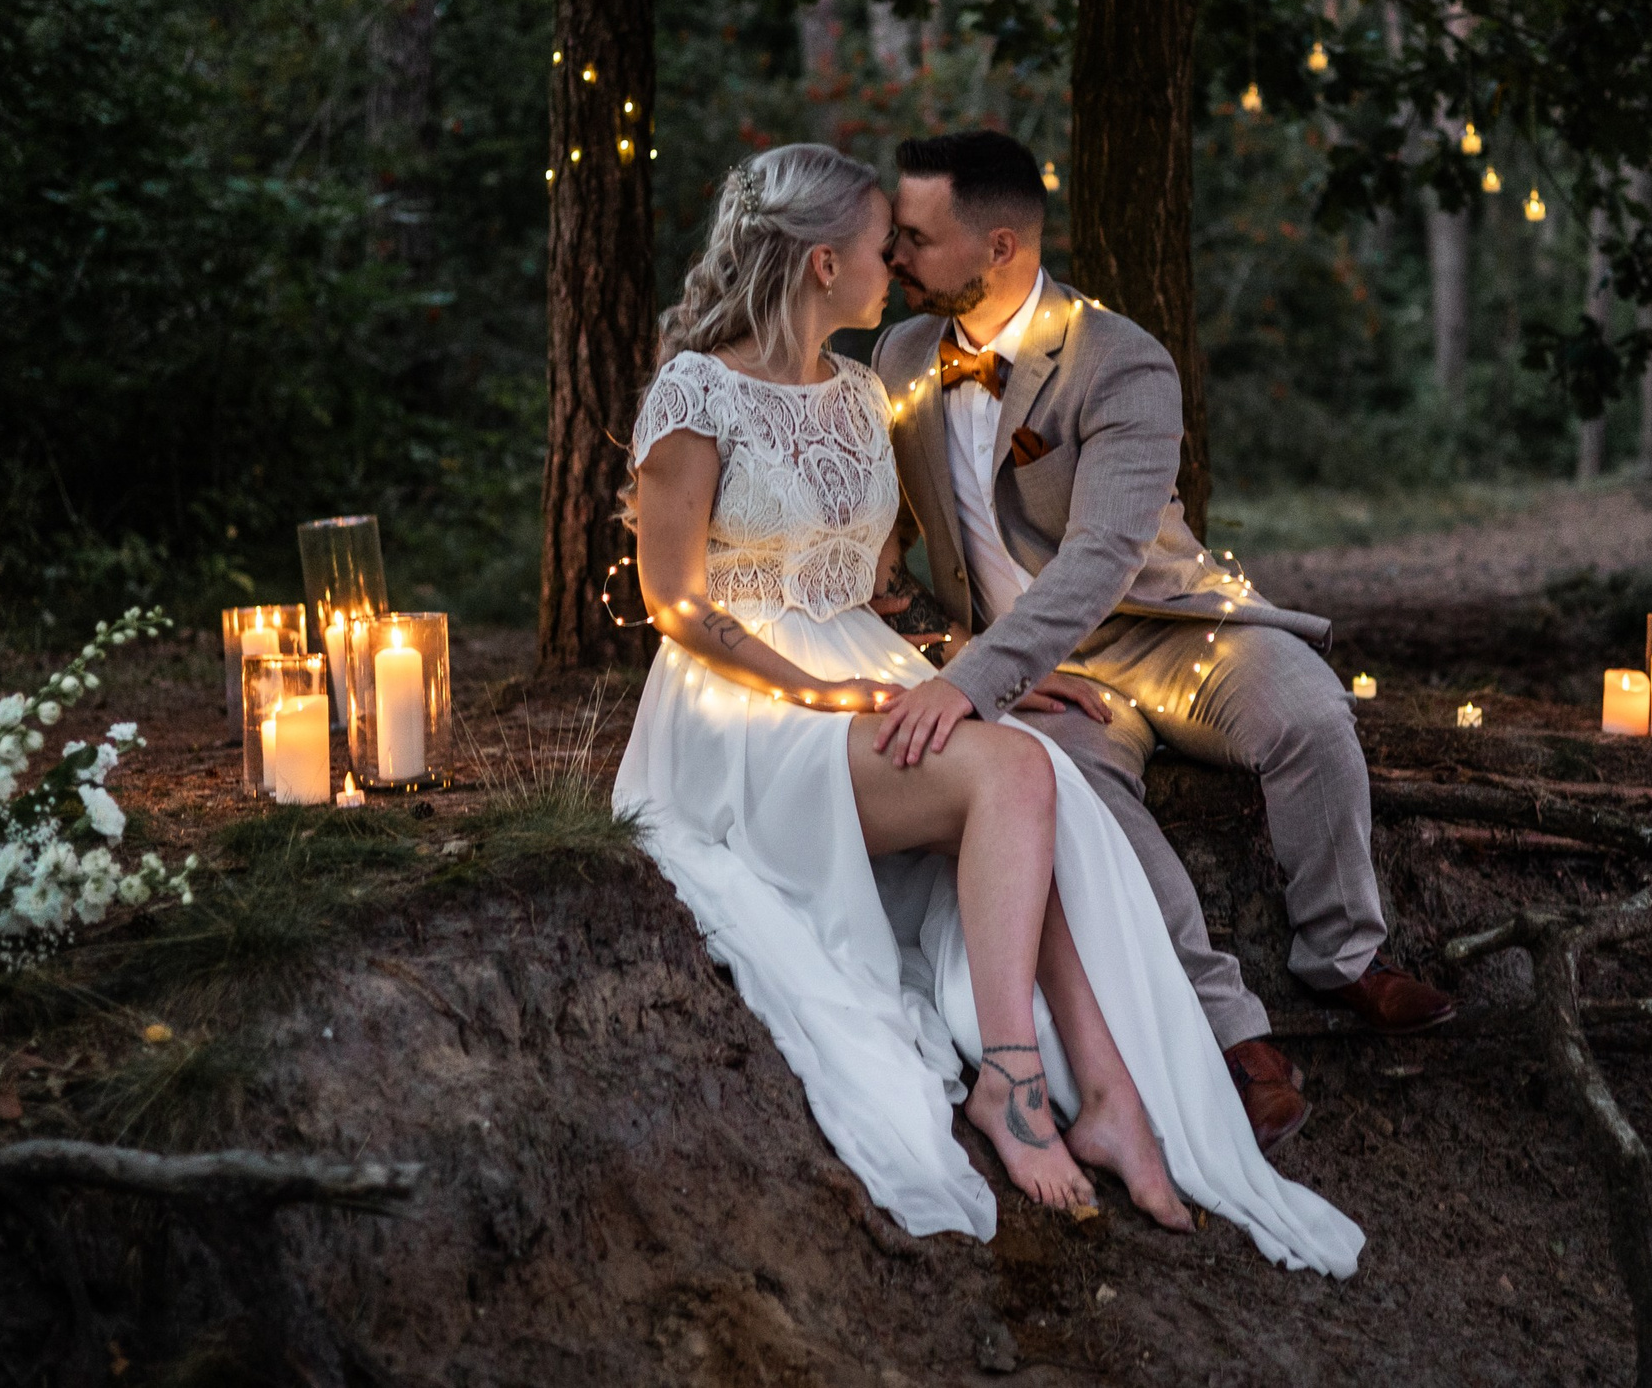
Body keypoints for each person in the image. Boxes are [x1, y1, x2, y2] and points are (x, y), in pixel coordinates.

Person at [612, 141, 1361, 1274]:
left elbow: (868, 587)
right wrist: (823, 691)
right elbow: (672, 602)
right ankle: (1013, 1081)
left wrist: (966, 661)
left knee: (1038, 774)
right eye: (885, 248)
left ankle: (1110, 1092)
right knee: (1014, 769)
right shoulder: (696, 390)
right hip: (739, 709)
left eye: (907, 243)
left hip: (866, 668)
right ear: (823, 265)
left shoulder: (863, 389)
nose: (899, 267)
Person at [871, 129, 1457, 1155]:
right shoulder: (900, 358)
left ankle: (1346, 955)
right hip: (1033, 668)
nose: (893, 255)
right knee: (1081, 798)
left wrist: (971, 683)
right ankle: (1234, 1036)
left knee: (1311, 712)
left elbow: (1102, 556)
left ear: (998, 246)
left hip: (1170, 629)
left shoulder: (1120, 359)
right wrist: (952, 652)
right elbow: (882, 544)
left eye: (916, 237)